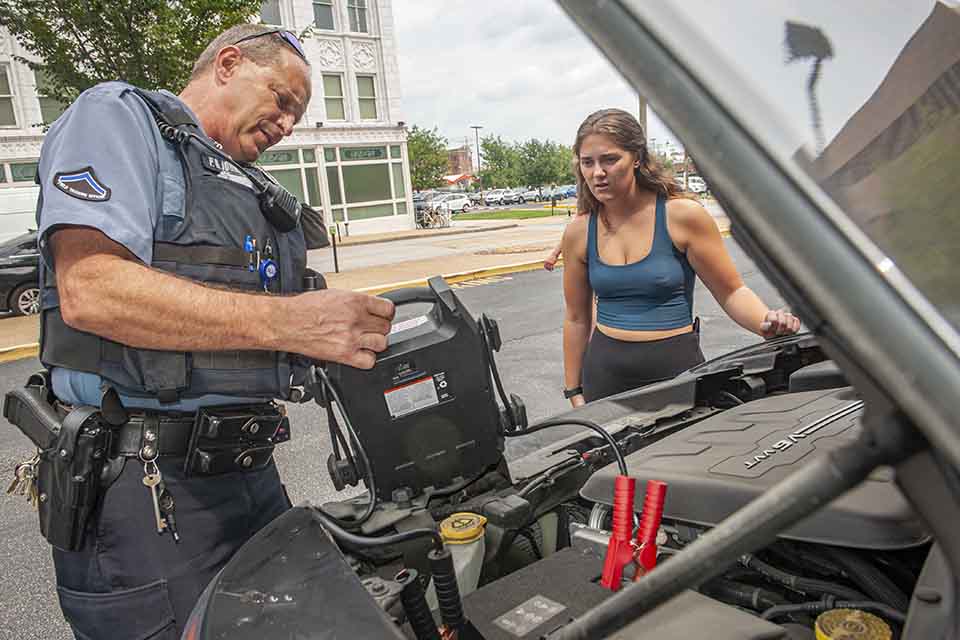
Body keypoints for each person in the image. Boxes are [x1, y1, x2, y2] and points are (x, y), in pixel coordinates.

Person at [28, 25, 395, 639]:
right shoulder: (117, 118)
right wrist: (292, 322)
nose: (288, 125)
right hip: (147, 494)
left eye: (299, 116)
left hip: (248, 475)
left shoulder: (240, 184)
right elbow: (90, 289)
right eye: (283, 100)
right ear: (228, 63)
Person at [561, 109, 799, 407]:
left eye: (610, 159)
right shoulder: (579, 231)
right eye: (588, 162)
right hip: (604, 378)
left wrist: (766, 322)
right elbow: (575, 318)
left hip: (676, 374)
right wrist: (574, 391)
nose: (598, 173)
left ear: (636, 158)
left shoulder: (682, 216)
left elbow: (731, 291)